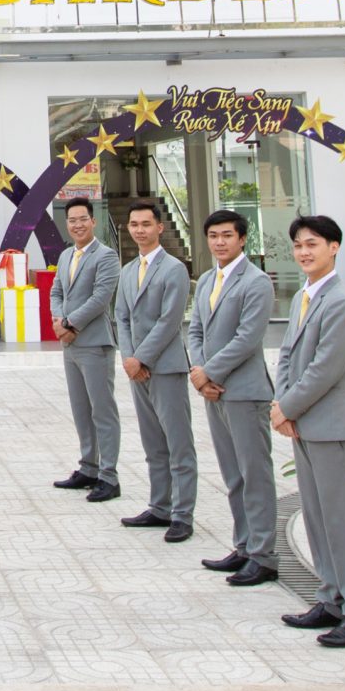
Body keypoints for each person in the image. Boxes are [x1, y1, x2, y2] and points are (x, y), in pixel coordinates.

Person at [272, 213, 345, 647]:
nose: (304, 252)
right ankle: (332, 599)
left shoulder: (340, 303)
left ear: (333, 248)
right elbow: (286, 356)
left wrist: (286, 407)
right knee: (318, 520)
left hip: (334, 430)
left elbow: (325, 370)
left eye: (312, 244)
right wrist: (282, 405)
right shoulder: (304, 297)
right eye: (299, 245)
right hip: (306, 427)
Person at [187, 209, 278, 586]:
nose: (219, 242)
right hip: (213, 391)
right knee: (233, 475)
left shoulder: (256, 282)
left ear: (242, 239)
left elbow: (247, 338)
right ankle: (243, 545)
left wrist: (209, 372)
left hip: (244, 391)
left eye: (227, 235)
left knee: (255, 474)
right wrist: (199, 372)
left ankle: (264, 554)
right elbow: (194, 330)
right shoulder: (207, 280)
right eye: (213, 236)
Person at [112, 196, 199, 542]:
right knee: (153, 444)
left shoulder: (174, 269)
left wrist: (142, 358)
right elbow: (121, 317)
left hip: (165, 368)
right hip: (137, 369)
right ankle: (160, 506)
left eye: (146, 224)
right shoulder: (128, 271)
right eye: (134, 224)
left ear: (160, 227)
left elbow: (169, 321)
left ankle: (183, 514)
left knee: (178, 444)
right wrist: (129, 358)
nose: (140, 230)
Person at [47, 195, 122, 502]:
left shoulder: (106, 256)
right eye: (72, 220)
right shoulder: (66, 255)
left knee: (102, 411)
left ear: (93, 221)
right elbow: (56, 291)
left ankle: (109, 476)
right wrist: (57, 320)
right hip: (70, 344)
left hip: (94, 343)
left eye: (82, 219)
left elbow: (101, 298)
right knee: (81, 410)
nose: (77, 225)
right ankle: (88, 467)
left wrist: (69, 323)